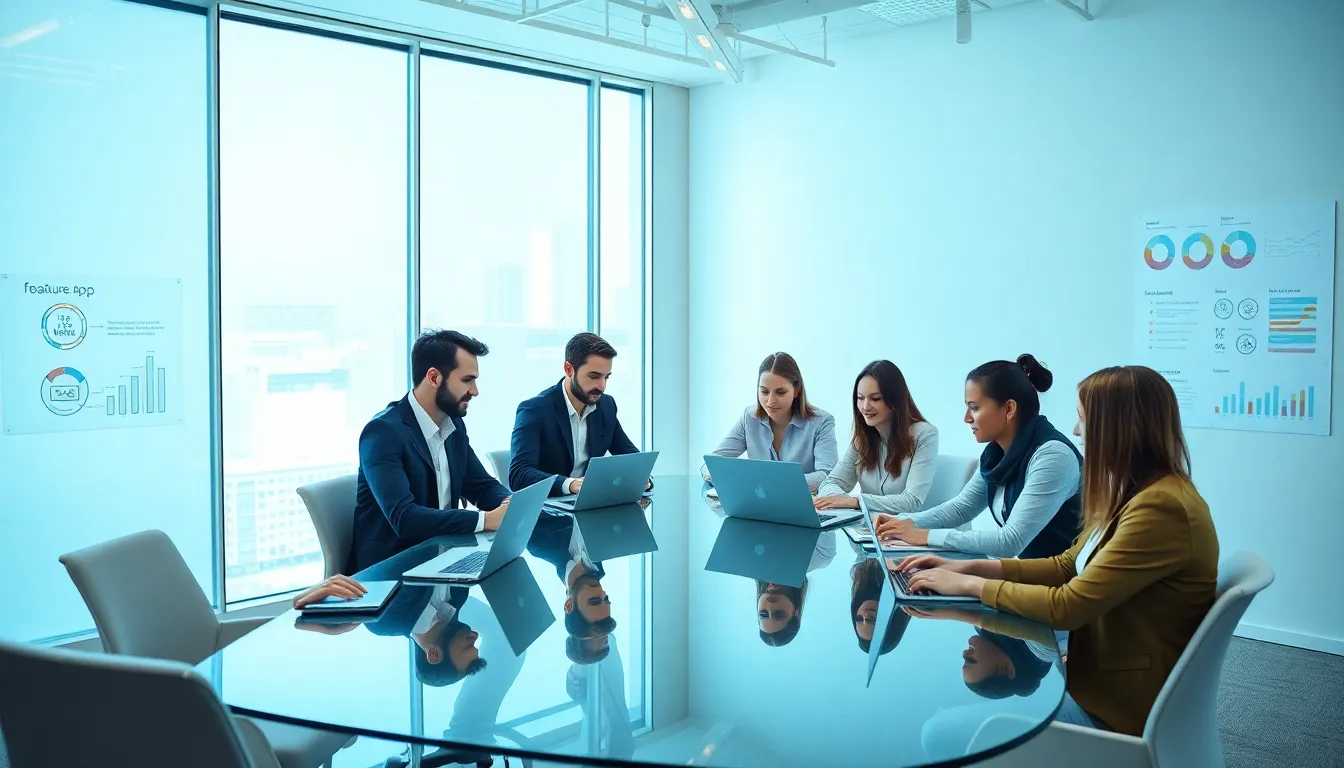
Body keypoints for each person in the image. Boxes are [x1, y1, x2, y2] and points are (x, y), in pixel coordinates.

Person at [893, 365, 1219, 735]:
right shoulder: (1137, 493)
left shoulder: (1160, 508)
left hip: (1116, 705)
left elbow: (1068, 606)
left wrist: (968, 587)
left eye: (1083, 420)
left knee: (938, 731)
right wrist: (965, 570)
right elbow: (1066, 565)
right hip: (1094, 672)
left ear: (1119, 427)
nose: (1077, 432)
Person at [876, 354, 1082, 558]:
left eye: (974, 408)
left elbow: (1011, 541)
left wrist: (924, 536)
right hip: (1031, 577)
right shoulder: (997, 453)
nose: (966, 418)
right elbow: (961, 508)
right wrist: (904, 522)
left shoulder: (1053, 456)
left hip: (1063, 585)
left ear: (1009, 409)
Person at [350, 330, 511, 572]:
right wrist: (487, 520)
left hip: (445, 560)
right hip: (394, 575)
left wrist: (510, 503)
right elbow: (404, 518)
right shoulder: (383, 433)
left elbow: (481, 486)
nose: (475, 391)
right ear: (434, 378)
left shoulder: (453, 424)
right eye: (467, 380)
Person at [509, 332, 645, 497]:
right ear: (569, 369)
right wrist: (570, 484)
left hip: (587, 506)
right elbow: (519, 474)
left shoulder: (606, 405)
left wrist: (645, 478)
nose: (601, 386)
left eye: (606, 377)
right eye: (594, 376)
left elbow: (632, 458)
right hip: (548, 508)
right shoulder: (535, 410)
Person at [815, 360, 939, 514]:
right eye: (860, 398)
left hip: (914, 532)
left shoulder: (924, 434)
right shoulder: (862, 438)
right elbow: (830, 483)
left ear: (895, 399)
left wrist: (856, 502)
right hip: (875, 531)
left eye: (875, 398)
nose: (865, 407)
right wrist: (839, 499)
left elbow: (912, 501)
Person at [701, 352, 837, 491]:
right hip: (758, 502)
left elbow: (828, 476)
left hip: (802, 504)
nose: (770, 401)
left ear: (796, 391)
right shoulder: (749, 418)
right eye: (764, 392)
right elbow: (713, 462)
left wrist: (773, 481)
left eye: (780, 392)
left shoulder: (822, 422)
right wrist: (710, 472)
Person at [527, 514, 618, 664]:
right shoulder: (615, 543)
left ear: (569, 605)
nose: (601, 592)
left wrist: (567, 489)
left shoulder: (539, 542)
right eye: (606, 599)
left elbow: (521, 493)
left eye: (594, 601)